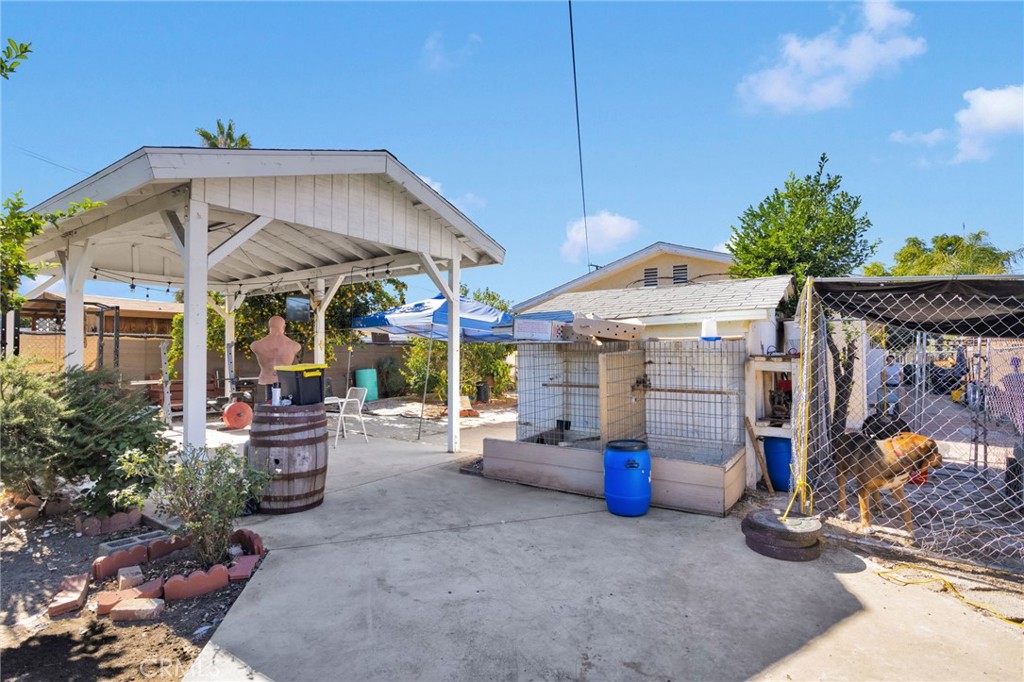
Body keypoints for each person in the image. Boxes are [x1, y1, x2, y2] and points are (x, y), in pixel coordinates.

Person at [250, 316, 301, 399]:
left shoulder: (256, 345)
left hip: (267, 379)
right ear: (284, 326)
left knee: (270, 403)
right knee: (284, 404)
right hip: (284, 380)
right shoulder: (295, 345)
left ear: (269, 326)